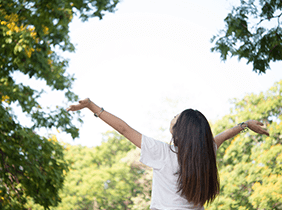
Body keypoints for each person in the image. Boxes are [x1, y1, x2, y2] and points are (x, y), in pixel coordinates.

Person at [67, 98, 269, 210]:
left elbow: (124, 129)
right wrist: (245, 125)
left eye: (176, 117)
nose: (173, 117)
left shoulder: (163, 153)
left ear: (180, 131)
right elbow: (223, 136)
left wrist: (91, 106)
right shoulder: (206, 154)